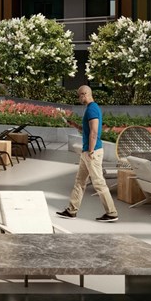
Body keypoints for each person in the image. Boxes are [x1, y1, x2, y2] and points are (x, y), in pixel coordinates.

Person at [57, 85, 118, 222]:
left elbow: (94, 132)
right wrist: (74, 125)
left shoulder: (92, 109)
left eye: (80, 95)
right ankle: (71, 210)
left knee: (99, 183)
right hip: (87, 152)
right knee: (79, 182)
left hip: (92, 152)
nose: (79, 98)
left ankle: (112, 213)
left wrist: (90, 150)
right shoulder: (90, 109)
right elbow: (87, 129)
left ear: (85, 94)